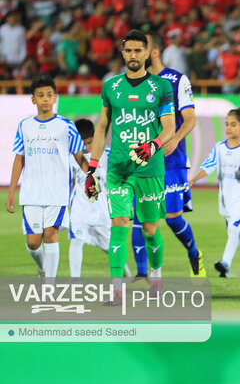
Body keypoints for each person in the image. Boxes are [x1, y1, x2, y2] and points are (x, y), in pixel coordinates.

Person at [84, 29, 175, 304]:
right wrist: (92, 168)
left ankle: (156, 278)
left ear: (148, 53)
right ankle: (116, 290)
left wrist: (153, 145)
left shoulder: (161, 87)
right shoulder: (110, 87)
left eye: (138, 50)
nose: (133, 55)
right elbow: (101, 128)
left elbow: (170, 127)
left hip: (149, 168)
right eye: (129, 51)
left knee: (150, 229)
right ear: (122, 53)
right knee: (119, 225)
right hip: (119, 170)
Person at [130, 31, 204, 279]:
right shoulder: (132, 82)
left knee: (172, 219)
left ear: (154, 52)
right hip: (142, 161)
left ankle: (194, 252)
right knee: (140, 218)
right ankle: (142, 273)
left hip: (171, 161)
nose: (136, 53)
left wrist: (175, 139)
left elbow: (190, 119)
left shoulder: (176, 80)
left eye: (142, 48)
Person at [6, 75, 86, 281]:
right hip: (32, 192)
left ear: (55, 98)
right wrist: (12, 191)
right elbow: (19, 159)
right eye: (40, 95)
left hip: (57, 191)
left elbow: (79, 157)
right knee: (33, 243)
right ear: (33, 99)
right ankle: (42, 269)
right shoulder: (25, 126)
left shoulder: (66, 125)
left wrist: (91, 176)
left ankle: (49, 286)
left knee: (51, 236)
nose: (45, 99)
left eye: (49, 95)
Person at [190, 108, 240, 277]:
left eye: (233, 124)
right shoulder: (219, 148)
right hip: (225, 200)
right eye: (227, 124)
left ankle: (225, 263)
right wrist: (193, 179)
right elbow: (207, 167)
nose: (229, 128)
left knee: (234, 228)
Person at [68, 119, 132, 278]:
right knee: (75, 241)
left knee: (112, 248)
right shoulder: (72, 157)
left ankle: (128, 277)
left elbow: (123, 177)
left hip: (102, 212)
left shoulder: (108, 154)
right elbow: (71, 181)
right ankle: (75, 283)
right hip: (80, 210)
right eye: (82, 144)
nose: (86, 148)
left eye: (89, 142)